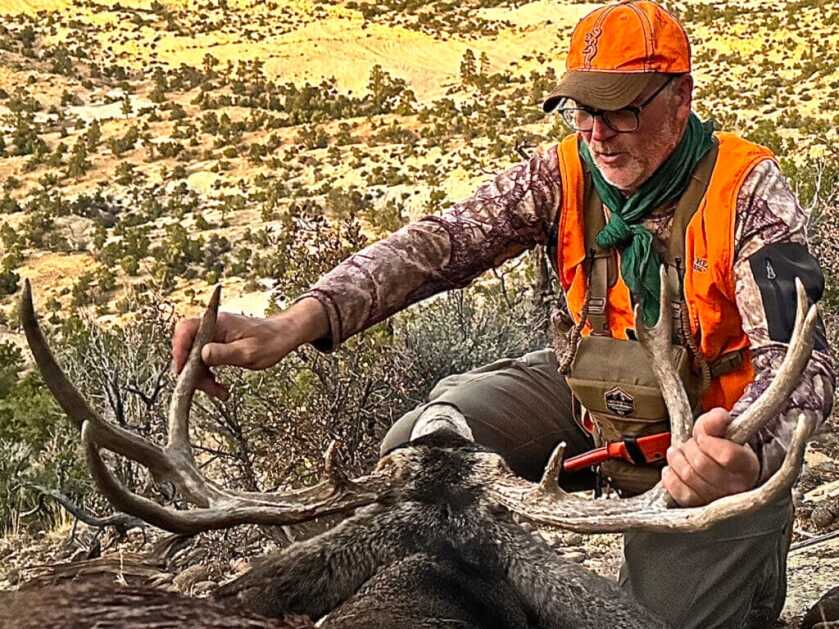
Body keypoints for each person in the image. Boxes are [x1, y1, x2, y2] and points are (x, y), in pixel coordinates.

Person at [171, 1, 835, 626]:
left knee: (659, 619)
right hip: (588, 400)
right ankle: (488, 591)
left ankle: (748, 564)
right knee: (420, 451)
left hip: (706, 448)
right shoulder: (564, 172)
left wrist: (743, 455)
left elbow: (804, 370)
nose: (596, 134)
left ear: (679, 97)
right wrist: (298, 321)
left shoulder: (747, 193)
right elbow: (438, 245)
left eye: (620, 112)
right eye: (580, 111)